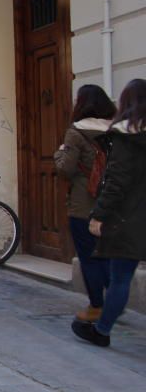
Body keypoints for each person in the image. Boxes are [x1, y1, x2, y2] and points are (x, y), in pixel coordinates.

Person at [73, 78, 146, 347]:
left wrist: (99, 215)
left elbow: (116, 182)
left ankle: (101, 330)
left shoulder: (125, 138)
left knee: (120, 278)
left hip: (126, 219)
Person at [54, 85, 116, 323]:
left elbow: (65, 168)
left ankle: (97, 306)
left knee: (89, 256)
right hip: (113, 203)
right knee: (109, 254)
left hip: (83, 204)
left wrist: (59, 153)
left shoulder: (76, 132)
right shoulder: (117, 131)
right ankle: (115, 299)